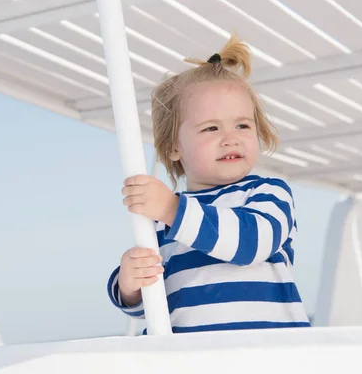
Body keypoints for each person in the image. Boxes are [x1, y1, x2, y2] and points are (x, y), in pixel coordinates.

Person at [106, 33, 310, 334]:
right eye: (211, 128)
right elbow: (149, 306)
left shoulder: (268, 193)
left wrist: (173, 209)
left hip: (268, 356)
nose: (231, 138)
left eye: (242, 125)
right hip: (190, 359)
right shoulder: (162, 220)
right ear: (174, 147)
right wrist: (130, 285)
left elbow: (251, 244)